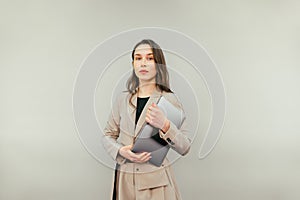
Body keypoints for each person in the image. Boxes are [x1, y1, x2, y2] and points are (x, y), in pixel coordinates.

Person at [102, 39, 191, 200]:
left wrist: (165, 124)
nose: (143, 63)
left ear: (158, 65)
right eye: (138, 58)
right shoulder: (123, 99)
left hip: (156, 184)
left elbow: (185, 147)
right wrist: (121, 151)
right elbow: (107, 135)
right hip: (125, 182)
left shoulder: (169, 99)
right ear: (133, 64)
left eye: (150, 58)